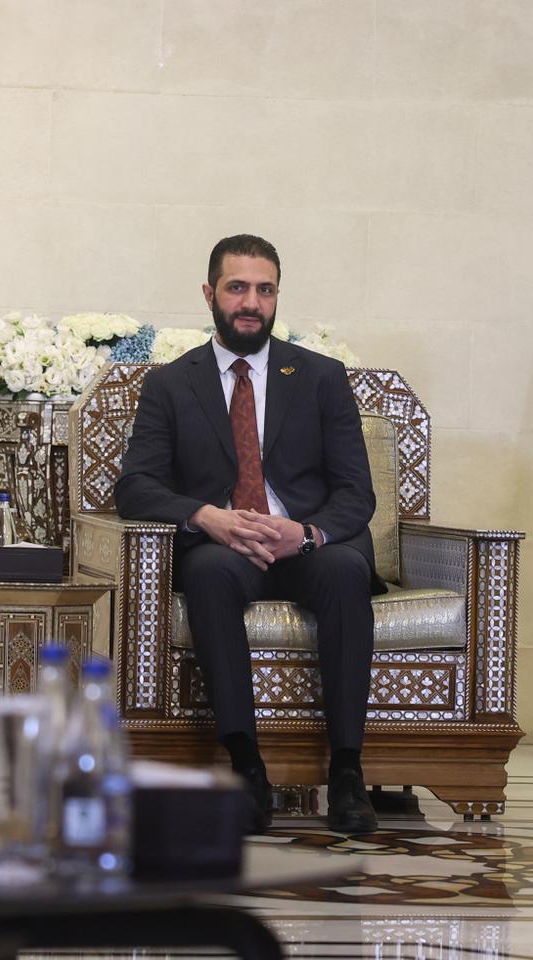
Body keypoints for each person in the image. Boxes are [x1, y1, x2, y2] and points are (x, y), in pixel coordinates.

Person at [114, 234, 381, 835]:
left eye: (265, 290)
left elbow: (356, 493)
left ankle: (347, 771)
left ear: (277, 296)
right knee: (206, 572)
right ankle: (246, 768)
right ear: (209, 294)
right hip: (225, 547)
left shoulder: (319, 377)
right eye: (237, 288)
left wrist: (306, 533)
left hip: (303, 544)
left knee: (345, 569)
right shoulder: (170, 384)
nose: (251, 303)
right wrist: (207, 516)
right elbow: (135, 486)